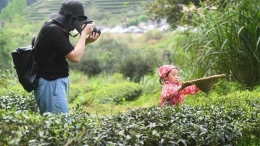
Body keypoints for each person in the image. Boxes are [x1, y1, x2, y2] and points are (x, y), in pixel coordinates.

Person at [34, 0, 99, 115]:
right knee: (60, 125)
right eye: (77, 21)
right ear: (71, 19)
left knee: (55, 125)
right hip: (51, 83)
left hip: (53, 82)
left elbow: (69, 50)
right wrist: (83, 35)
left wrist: (86, 41)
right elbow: (75, 57)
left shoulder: (57, 27)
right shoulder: (53, 29)